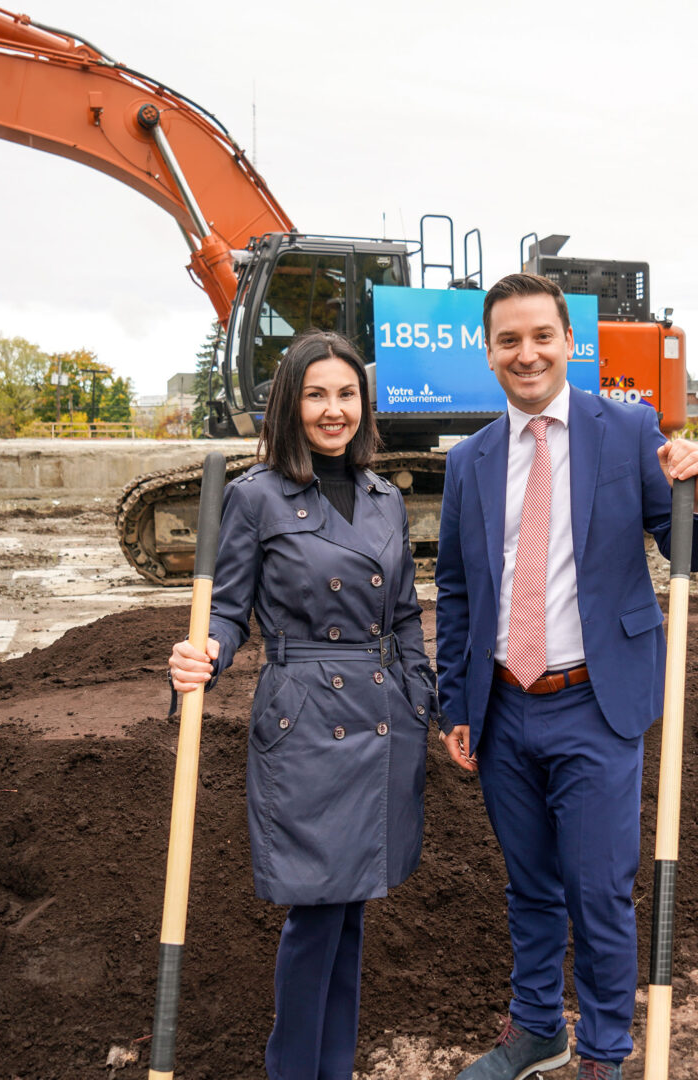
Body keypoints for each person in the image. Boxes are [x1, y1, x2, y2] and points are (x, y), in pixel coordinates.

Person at [434, 274, 698, 1080]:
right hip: (502, 706)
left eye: (541, 337)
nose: (526, 354)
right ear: (487, 352)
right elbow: (458, 589)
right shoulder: (470, 461)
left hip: (596, 703)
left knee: (597, 892)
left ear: (570, 344)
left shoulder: (627, 431)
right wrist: (455, 702)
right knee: (529, 888)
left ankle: (601, 1050)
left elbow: (687, 556)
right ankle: (537, 1030)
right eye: (508, 340)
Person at [168, 329, 437, 1080]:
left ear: (364, 403)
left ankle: (335, 1068)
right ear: (291, 404)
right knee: (316, 915)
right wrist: (204, 654)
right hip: (306, 718)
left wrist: (420, 695)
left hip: (384, 716)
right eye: (316, 394)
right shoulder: (257, 497)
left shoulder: (384, 497)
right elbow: (224, 610)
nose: (333, 409)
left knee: (350, 915)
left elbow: (408, 614)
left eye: (346, 394)